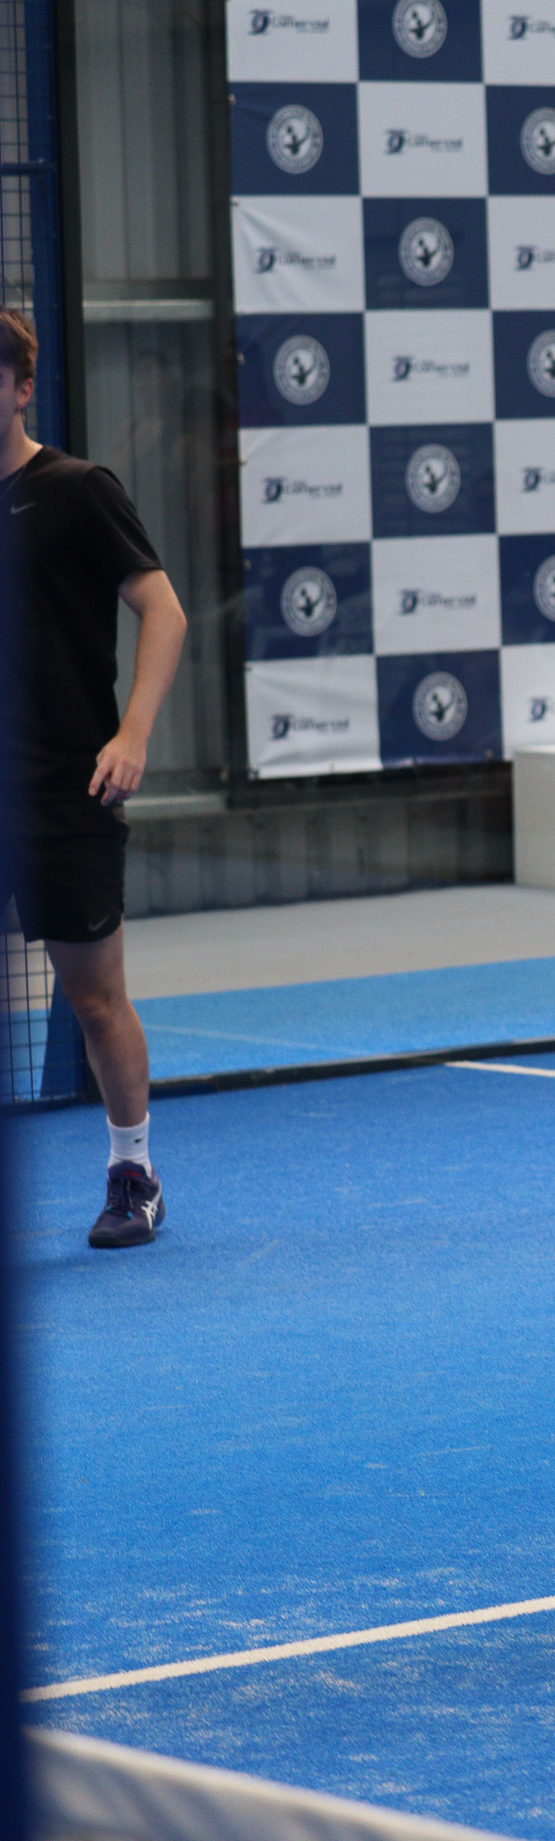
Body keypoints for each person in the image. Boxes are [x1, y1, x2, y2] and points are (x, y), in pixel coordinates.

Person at [0, 310, 187, 1248]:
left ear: (22, 388)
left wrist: (132, 736)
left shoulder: (77, 491)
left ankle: (133, 1175)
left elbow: (164, 610)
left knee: (93, 997)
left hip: (64, 793)